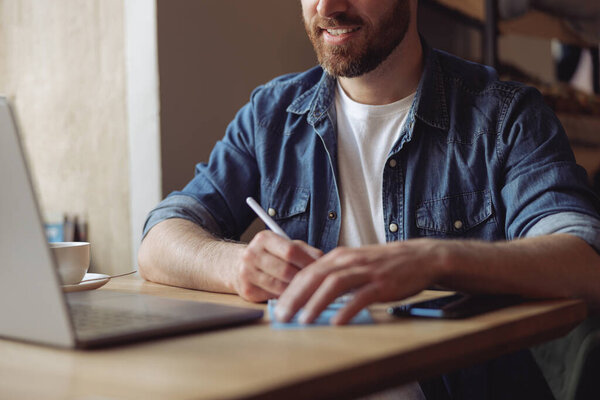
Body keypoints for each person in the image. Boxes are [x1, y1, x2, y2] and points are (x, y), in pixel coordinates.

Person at [139, 0, 600, 397]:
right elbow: (160, 238)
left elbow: (584, 261)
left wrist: (432, 259)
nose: (328, 6)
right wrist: (238, 266)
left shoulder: (505, 117)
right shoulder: (271, 115)